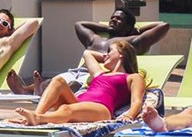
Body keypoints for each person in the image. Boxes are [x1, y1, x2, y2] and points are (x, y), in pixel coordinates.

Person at [7, 7, 169, 95]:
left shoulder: (131, 42)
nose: (114, 20)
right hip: (78, 70)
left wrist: (136, 30)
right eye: (112, 17)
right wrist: (106, 26)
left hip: (97, 77)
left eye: (119, 19)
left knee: (68, 84)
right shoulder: (95, 39)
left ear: (128, 27)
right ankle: (29, 90)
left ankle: (37, 91)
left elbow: (163, 26)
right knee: (57, 79)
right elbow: (79, 24)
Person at [10, 40, 145, 126]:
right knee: (58, 81)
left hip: (101, 108)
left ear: (122, 54)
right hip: (78, 103)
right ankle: (36, 116)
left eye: (110, 51)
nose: (105, 55)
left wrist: (129, 115)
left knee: (66, 109)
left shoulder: (133, 77)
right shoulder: (100, 73)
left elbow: (137, 101)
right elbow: (87, 53)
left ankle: (39, 118)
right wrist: (108, 58)